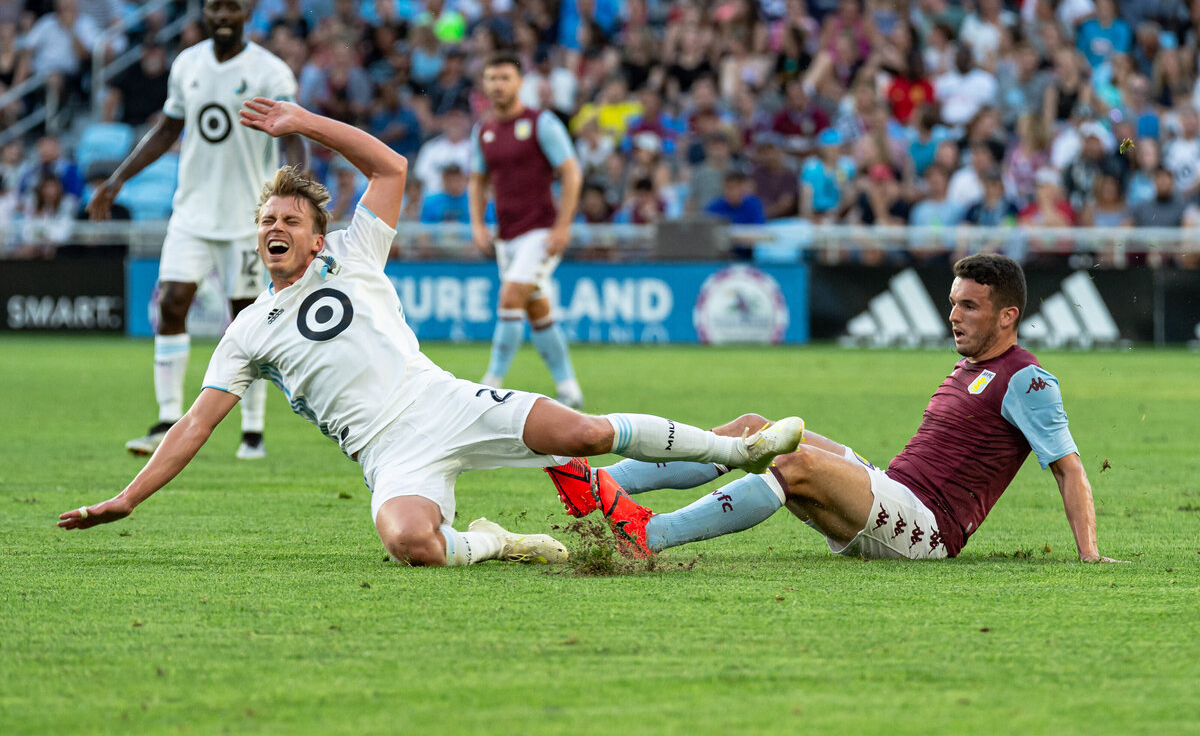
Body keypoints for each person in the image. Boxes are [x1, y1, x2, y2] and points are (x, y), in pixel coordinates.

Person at [57, 97, 806, 569]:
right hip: (389, 451)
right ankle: (502, 542)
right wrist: (128, 499)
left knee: (577, 430)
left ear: (318, 237)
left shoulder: (354, 253)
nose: (274, 228)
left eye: (290, 219)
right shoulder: (248, 330)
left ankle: (737, 448)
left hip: (443, 400)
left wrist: (303, 122)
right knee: (408, 542)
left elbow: (389, 167)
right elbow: (194, 423)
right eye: (266, 222)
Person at [546, 254, 1122, 564]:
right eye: (952, 304)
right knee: (756, 431)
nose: (954, 316)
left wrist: (1090, 557)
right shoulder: (969, 365)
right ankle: (596, 484)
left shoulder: (1028, 379)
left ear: (1007, 316)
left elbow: (1069, 467)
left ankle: (650, 537)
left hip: (927, 528)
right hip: (892, 487)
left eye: (970, 307)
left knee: (791, 467)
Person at [87, 0, 307, 460]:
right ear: (204, 14)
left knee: (249, 322)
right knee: (171, 304)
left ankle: (252, 430)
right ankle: (167, 420)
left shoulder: (270, 71)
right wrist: (118, 180)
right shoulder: (187, 64)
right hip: (190, 213)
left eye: (232, 6)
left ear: (248, 13)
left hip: (250, 217)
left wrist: (297, 192)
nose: (223, 14)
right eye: (215, 7)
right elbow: (167, 129)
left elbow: (293, 134)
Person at [469, 53, 586, 409]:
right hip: (507, 234)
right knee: (537, 309)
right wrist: (477, 224)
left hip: (541, 230)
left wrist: (563, 226)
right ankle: (569, 388)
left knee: (510, 298)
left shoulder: (542, 123)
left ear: (520, 83)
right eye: (491, 78)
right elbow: (477, 180)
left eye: (505, 78)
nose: (497, 85)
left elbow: (571, 172)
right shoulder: (484, 130)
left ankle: (490, 384)